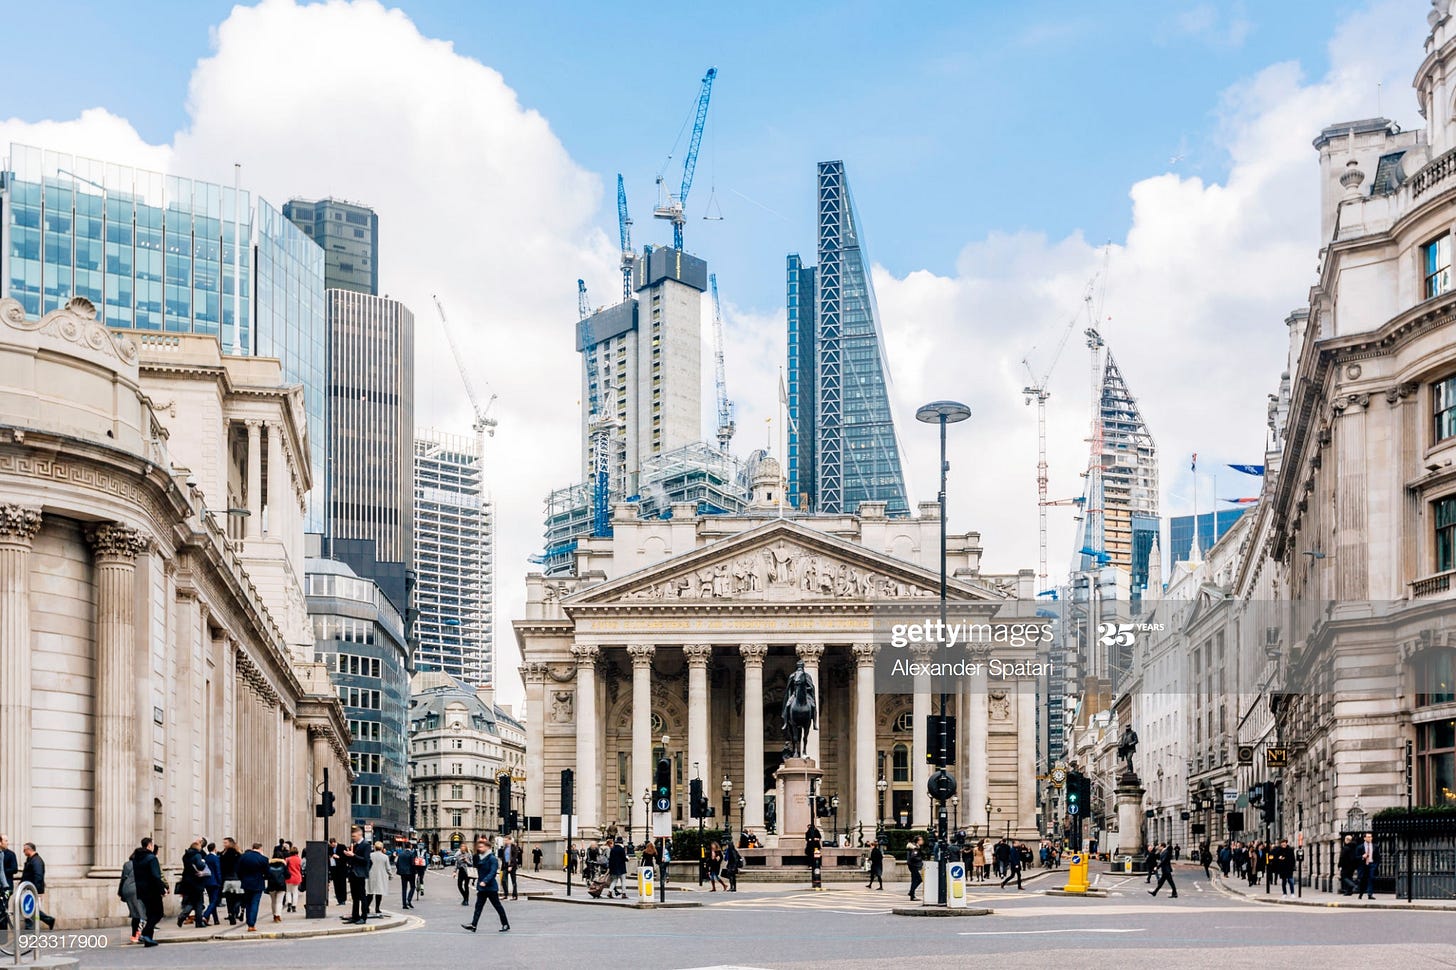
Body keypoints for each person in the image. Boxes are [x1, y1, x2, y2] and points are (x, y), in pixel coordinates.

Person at [462, 838, 509, 933]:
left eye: (482, 846)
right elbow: (476, 868)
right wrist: (468, 863)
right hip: (482, 888)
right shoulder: (480, 857)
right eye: (479, 846)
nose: (480, 848)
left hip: (490, 887)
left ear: (488, 847)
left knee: (497, 906)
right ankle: (473, 925)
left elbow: (492, 872)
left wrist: (485, 881)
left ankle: (505, 924)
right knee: (478, 907)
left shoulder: (492, 859)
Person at [132, 838, 166, 947]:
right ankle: (145, 933)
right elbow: (156, 876)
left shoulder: (136, 859)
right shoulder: (152, 858)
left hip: (141, 891)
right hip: (152, 890)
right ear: (150, 846)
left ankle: (148, 940)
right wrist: (162, 889)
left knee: (150, 914)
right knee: (158, 913)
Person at [20, 843, 56, 931]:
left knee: (29, 908)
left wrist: (37, 892)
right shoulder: (30, 860)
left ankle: (29, 928)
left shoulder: (36, 861)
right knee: (30, 908)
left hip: (32, 889)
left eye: (24, 850)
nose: (23, 851)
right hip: (28, 889)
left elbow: (38, 877)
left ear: (29, 850)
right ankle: (48, 920)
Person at [237, 842, 270, 931]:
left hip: (246, 883)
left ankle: (249, 921)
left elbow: (238, 871)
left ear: (252, 848)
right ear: (260, 849)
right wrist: (263, 877)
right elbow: (268, 873)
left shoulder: (243, 857)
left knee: (248, 903)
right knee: (255, 903)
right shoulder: (263, 859)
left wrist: (242, 878)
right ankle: (252, 924)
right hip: (258, 883)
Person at [176, 838, 208, 928]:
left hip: (187, 880)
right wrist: (204, 863)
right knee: (198, 901)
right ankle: (194, 920)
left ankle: (192, 919)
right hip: (196, 880)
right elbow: (200, 866)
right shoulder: (197, 855)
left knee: (192, 901)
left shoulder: (185, 855)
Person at [343, 827, 372, 924]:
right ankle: (355, 916)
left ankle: (363, 917)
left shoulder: (366, 845)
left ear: (360, 835)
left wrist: (353, 855)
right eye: (352, 836)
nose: (353, 838)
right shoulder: (355, 845)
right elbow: (352, 860)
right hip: (353, 873)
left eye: (354, 836)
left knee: (362, 896)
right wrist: (347, 855)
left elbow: (365, 861)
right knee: (354, 897)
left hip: (360, 874)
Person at [117, 849, 145, 943]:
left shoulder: (127, 864)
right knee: (141, 913)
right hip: (137, 889)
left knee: (135, 913)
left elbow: (123, 878)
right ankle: (138, 934)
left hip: (127, 889)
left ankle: (134, 935)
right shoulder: (143, 864)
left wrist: (120, 892)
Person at [200, 842, 223, 926]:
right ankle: (205, 915)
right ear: (215, 848)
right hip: (215, 882)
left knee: (211, 901)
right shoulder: (215, 858)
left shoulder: (206, 857)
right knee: (214, 901)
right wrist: (220, 881)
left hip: (207, 881)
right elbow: (218, 871)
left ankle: (216, 919)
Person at [367, 841, 391, 916]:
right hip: (381, 876)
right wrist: (390, 875)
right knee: (379, 893)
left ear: (374, 847)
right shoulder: (385, 857)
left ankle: (366, 907)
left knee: (370, 893)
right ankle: (377, 908)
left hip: (371, 876)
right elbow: (388, 868)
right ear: (382, 848)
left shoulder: (370, 855)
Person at [266, 849, 289, 923]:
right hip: (281, 885)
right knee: (279, 901)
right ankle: (278, 915)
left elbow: (266, 875)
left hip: (271, 885)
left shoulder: (268, 865)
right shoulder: (283, 865)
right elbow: (288, 875)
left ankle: (274, 915)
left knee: (273, 901)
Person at [397, 841, 419, 909]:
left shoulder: (400, 854)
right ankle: (408, 900)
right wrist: (416, 871)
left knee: (404, 889)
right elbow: (413, 864)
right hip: (411, 873)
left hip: (403, 873)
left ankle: (404, 904)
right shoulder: (412, 854)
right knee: (412, 887)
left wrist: (400, 870)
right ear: (410, 846)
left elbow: (397, 863)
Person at [329, 837, 348, 906]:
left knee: (342, 884)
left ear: (334, 842)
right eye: (331, 845)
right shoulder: (330, 848)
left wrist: (338, 857)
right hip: (334, 869)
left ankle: (343, 900)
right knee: (336, 884)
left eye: (333, 844)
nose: (332, 846)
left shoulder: (342, 847)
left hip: (341, 868)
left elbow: (346, 857)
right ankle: (339, 899)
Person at [1359, 832, 1377, 899]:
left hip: (1371, 864)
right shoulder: (1360, 847)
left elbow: (1378, 857)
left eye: (1371, 837)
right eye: (1368, 837)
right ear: (1364, 838)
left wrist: (1375, 865)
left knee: (1371, 878)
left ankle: (1370, 894)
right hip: (1363, 865)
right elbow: (1355, 857)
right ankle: (1361, 893)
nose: (1370, 838)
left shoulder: (1375, 846)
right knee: (1363, 880)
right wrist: (1362, 856)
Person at [284, 846, 303, 913]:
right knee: (295, 892)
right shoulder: (299, 859)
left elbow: (284, 867)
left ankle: (289, 903)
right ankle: (294, 906)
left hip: (288, 877)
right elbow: (301, 868)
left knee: (288, 891)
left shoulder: (287, 859)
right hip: (296, 877)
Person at [501, 836, 520, 900]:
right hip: (505, 865)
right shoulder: (505, 847)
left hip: (512, 866)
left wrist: (511, 866)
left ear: (509, 840)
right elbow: (503, 858)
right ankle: (505, 894)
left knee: (513, 881)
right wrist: (502, 867)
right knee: (503, 880)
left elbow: (514, 857)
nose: (505, 841)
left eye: (506, 840)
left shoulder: (514, 847)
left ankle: (515, 895)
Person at [907, 836, 924, 902]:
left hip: (913, 865)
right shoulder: (915, 848)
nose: (922, 841)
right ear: (917, 841)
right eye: (921, 840)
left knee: (914, 880)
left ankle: (912, 896)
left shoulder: (916, 847)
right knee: (919, 879)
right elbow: (913, 857)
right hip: (914, 866)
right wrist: (920, 859)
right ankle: (911, 892)